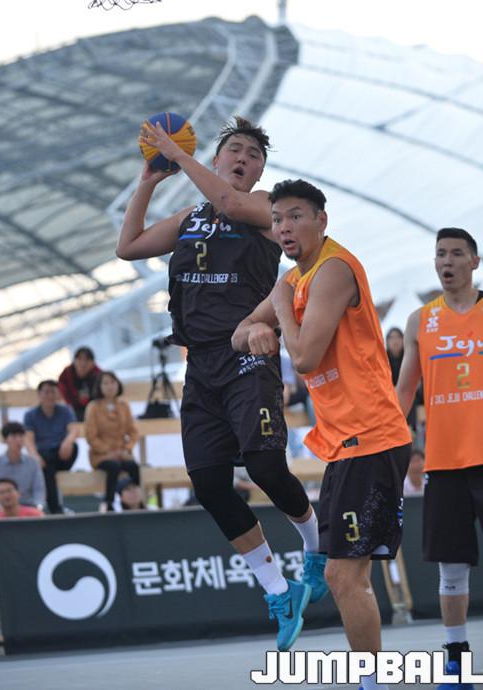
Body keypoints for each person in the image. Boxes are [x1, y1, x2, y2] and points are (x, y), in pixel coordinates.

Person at [116, 117, 327, 651]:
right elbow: (128, 246)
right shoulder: (190, 217)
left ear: (259, 171)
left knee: (265, 467)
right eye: (235, 149)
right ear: (216, 159)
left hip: (247, 351)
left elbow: (231, 204)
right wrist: (149, 178)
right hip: (201, 365)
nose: (243, 158)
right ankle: (279, 592)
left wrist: (176, 154)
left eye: (253, 154)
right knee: (209, 484)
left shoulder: (264, 208)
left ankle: (315, 546)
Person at [232, 179, 411, 690]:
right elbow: (238, 333)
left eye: (295, 216)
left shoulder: (331, 270)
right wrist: (258, 328)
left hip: (371, 437)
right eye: (277, 219)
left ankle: (374, 683)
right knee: (347, 577)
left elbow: (306, 357)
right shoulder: (294, 280)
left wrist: (279, 309)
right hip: (346, 444)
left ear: (321, 220)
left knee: (343, 577)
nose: (284, 227)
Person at [396, 227, 483, 689]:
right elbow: (404, 392)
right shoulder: (421, 320)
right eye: (441, 254)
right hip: (443, 462)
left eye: (457, 253)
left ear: (474, 262)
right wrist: (383, 442)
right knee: (450, 568)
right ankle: (456, 659)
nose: (447, 261)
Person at [84, 371, 141, 512]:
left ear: (118, 384)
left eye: (113, 382)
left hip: (122, 453)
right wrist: (108, 451)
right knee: (113, 466)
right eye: (106, 383)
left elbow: (133, 432)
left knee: (133, 466)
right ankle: (108, 503)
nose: (110, 386)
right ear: (100, 386)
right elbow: (91, 436)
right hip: (101, 455)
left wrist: (128, 448)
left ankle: (135, 502)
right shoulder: (93, 407)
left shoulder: (124, 406)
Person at [24, 380, 79, 514]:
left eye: (53, 392)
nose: (50, 396)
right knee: (47, 468)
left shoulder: (66, 410)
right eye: (46, 392)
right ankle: (55, 508)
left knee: (72, 448)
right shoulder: (30, 414)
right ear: (39, 394)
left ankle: (55, 508)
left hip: (62, 454)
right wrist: (35, 456)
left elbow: (74, 430)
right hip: (44, 457)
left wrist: (67, 442)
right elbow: (28, 439)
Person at [0, 421, 45, 514]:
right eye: (14, 436)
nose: (18, 440)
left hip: (29, 508)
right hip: (4, 509)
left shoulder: (33, 463)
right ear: (4, 440)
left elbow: (39, 490)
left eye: (21, 436)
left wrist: (38, 507)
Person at [385, 327, 419, 430]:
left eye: (398, 337)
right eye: (391, 338)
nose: (395, 341)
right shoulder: (382, 360)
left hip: (410, 400)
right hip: (389, 401)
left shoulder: (410, 357)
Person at [58, 346, 102, 421]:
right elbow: (62, 391)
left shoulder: (99, 374)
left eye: (87, 360)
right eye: (79, 359)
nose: (83, 364)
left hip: (96, 409)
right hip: (73, 409)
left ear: (93, 363)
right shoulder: (66, 374)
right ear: (74, 361)